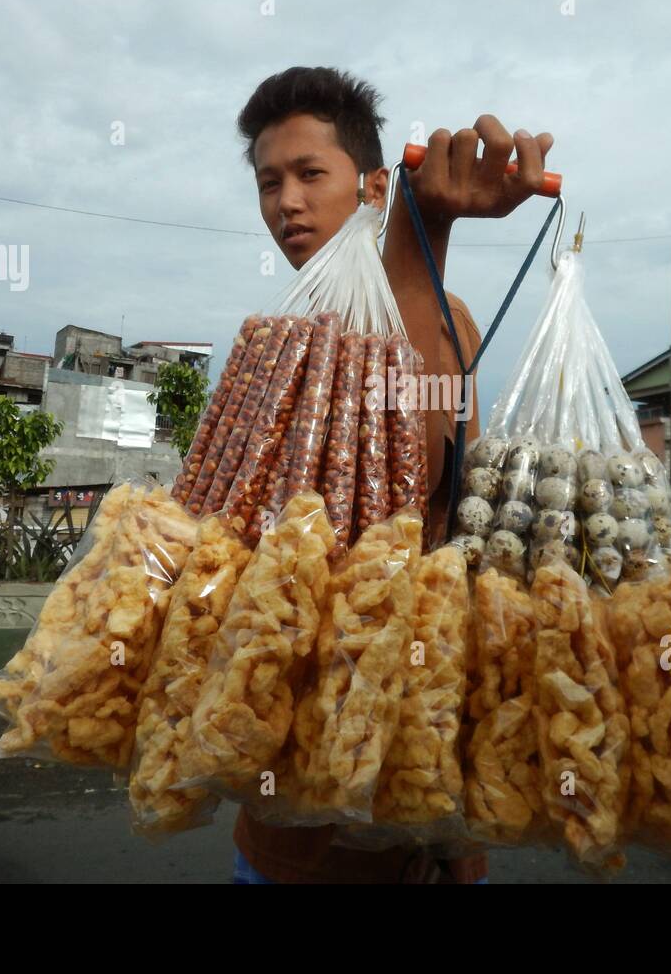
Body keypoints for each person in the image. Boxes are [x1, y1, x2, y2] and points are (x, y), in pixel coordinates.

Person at [230, 66, 554, 883]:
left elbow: (418, 475)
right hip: (298, 820)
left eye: (310, 174)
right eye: (270, 183)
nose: (287, 204)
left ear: (375, 182)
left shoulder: (446, 316)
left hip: (421, 780)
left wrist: (422, 229)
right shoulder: (285, 333)